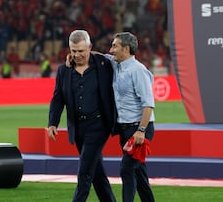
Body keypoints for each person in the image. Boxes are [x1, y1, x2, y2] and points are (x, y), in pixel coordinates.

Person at [47, 30, 117, 202]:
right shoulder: (64, 70)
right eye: (74, 51)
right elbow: (58, 98)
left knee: (85, 171)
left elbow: (124, 62)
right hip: (77, 128)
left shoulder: (103, 64)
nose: (77, 55)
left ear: (90, 48)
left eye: (81, 51)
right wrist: (52, 123)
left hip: (99, 125)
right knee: (97, 173)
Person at [106, 32, 155, 202]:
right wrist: (74, 56)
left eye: (114, 46)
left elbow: (148, 104)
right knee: (138, 173)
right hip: (125, 129)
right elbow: (99, 56)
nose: (111, 50)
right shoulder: (116, 64)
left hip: (138, 129)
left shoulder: (138, 70)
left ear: (126, 49)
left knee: (126, 170)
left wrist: (141, 131)